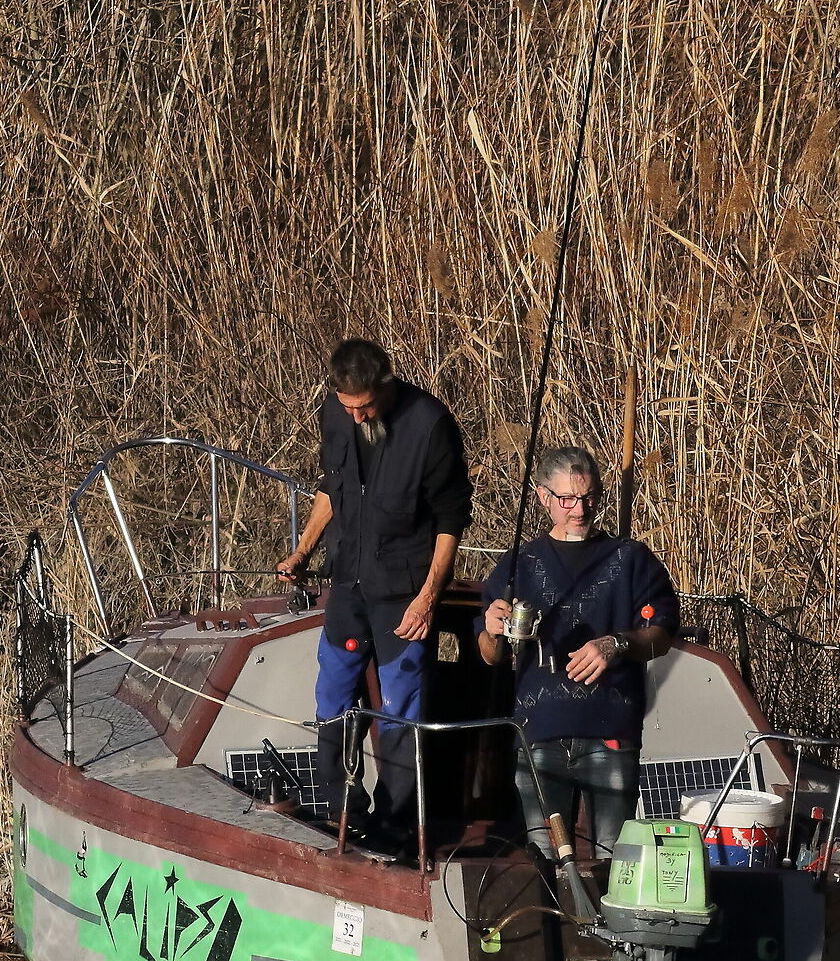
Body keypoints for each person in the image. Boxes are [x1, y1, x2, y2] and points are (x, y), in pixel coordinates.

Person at [277, 338, 472, 851]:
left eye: (365, 406)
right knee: (332, 692)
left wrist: (430, 596)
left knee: (401, 705)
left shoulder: (430, 425)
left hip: (404, 590)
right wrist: (302, 551)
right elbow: (330, 489)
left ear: (385, 386)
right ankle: (343, 808)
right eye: (348, 407)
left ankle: (394, 822)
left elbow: (451, 519)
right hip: (349, 581)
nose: (358, 417)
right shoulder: (335, 415)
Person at [478, 446, 678, 861]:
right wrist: (493, 629)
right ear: (542, 497)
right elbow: (488, 656)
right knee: (543, 864)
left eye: (588, 497)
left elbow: (662, 634)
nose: (579, 509)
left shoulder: (632, 559)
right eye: (567, 499)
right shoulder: (519, 563)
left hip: (611, 735)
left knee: (615, 862)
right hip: (537, 735)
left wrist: (617, 643)